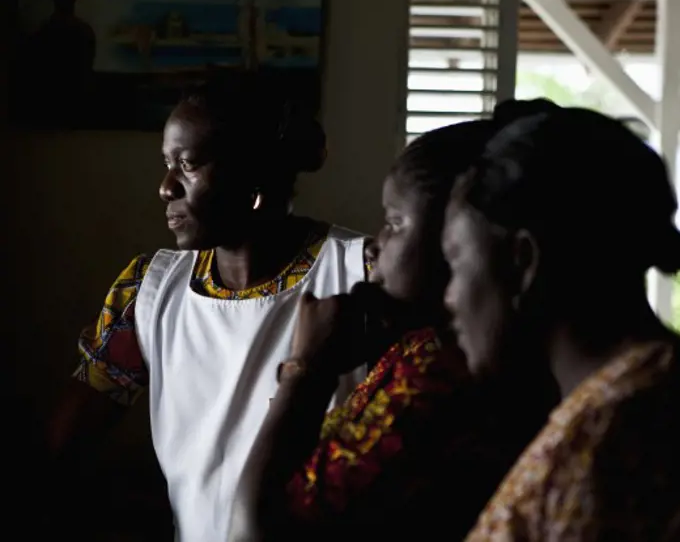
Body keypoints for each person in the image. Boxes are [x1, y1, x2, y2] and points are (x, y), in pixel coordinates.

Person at [46, 75, 370, 542]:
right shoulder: (149, 291)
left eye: (188, 165)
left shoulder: (360, 275)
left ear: (253, 173)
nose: (165, 188)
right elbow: (65, 443)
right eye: (166, 164)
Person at [230, 106, 559, 542]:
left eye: (395, 222)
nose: (376, 244)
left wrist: (305, 370)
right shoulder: (417, 347)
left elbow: (254, 532)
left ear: (457, 237)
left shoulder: (435, 371)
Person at [441, 105, 680, 541]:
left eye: (456, 263)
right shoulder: (628, 398)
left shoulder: (611, 438)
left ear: (522, 262)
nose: (449, 297)